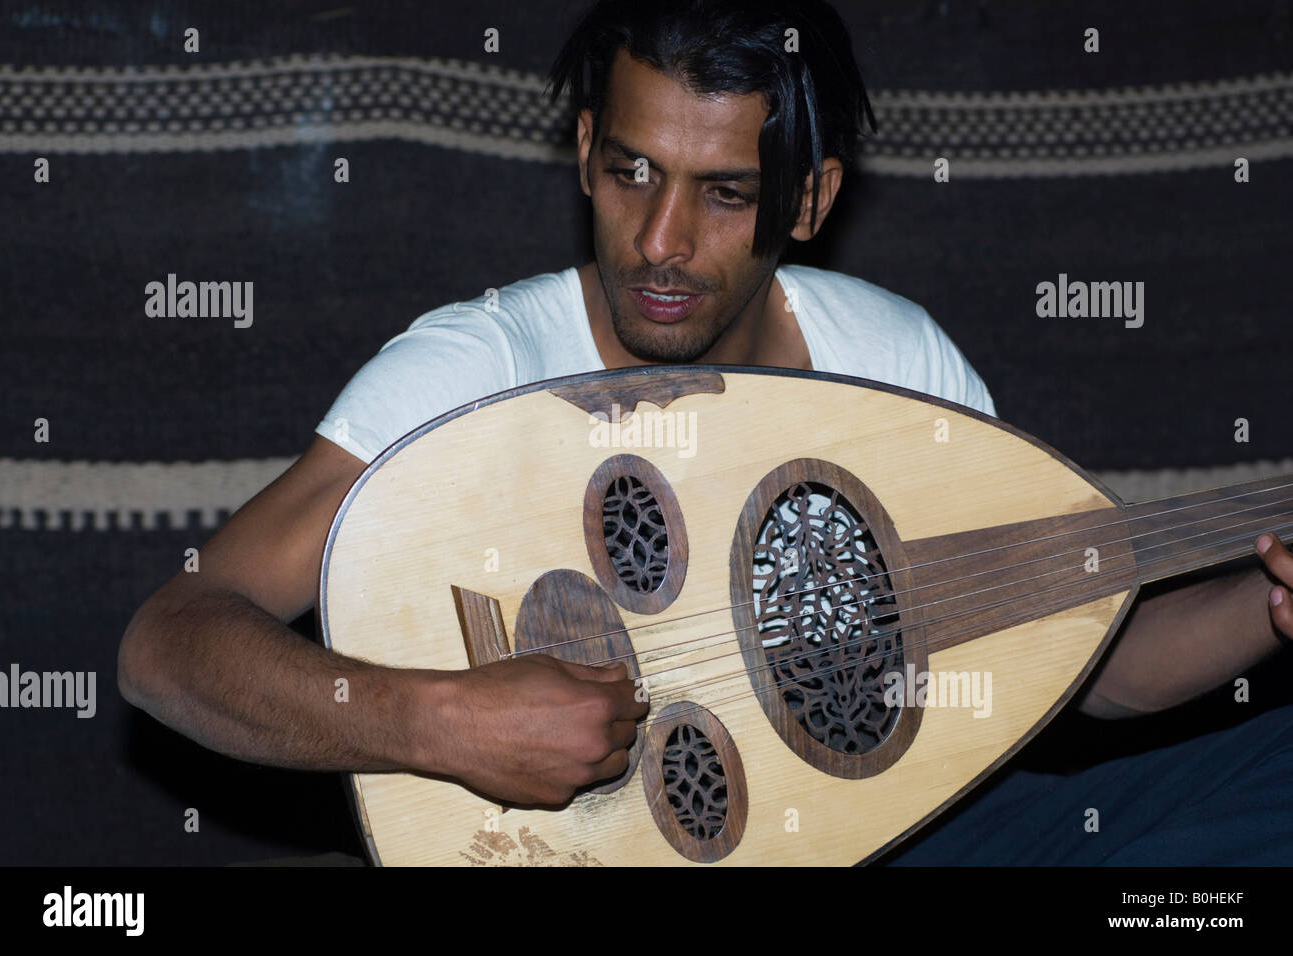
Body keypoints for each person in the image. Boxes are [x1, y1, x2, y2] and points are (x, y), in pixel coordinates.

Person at [117, 0, 1293, 863]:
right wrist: (435, 719)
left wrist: (1268, 598)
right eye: (632, 171)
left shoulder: (888, 362)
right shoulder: (479, 366)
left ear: (809, 198)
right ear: (583, 150)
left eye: (726, 191)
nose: (662, 240)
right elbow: (169, 641)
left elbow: (1091, 668)